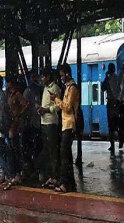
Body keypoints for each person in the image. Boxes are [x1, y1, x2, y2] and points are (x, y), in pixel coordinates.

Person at [52, 64, 80, 193]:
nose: (61, 78)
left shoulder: (72, 88)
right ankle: (70, 182)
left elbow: (68, 107)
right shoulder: (68, 88)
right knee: (66, 155)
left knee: (64, 155)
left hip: (69, 124)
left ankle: (65, 183)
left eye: (62, 75)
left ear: (67, 74)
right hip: (65, 124)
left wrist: (56, 100)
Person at [38, 68, 62, 189]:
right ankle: (50, 177)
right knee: (47, 151)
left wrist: (47, 110)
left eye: (43, 77)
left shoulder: (55, 88)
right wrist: (41, 109)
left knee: (53, 152)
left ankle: (55, 177)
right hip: (44, 122)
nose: (41, 79)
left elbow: (58, 106)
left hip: (51, 123)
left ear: (47, 77)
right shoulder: (45, 89)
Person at [22, 70, 43, 183]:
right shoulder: (31, 91)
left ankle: (32, 170)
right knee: (33, 149)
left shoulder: (35, 91)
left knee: (33, 149)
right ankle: (33, 170)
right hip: (32, 125)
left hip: (35, 124)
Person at [102, 63, 121, 155]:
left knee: (111, 126)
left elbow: (102, 88)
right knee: (118, 125)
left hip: (111, 105)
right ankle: (121, 141)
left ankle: (112, 145)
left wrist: (106, 77)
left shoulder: (108, 79)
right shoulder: (118, 78)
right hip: (117, 104)